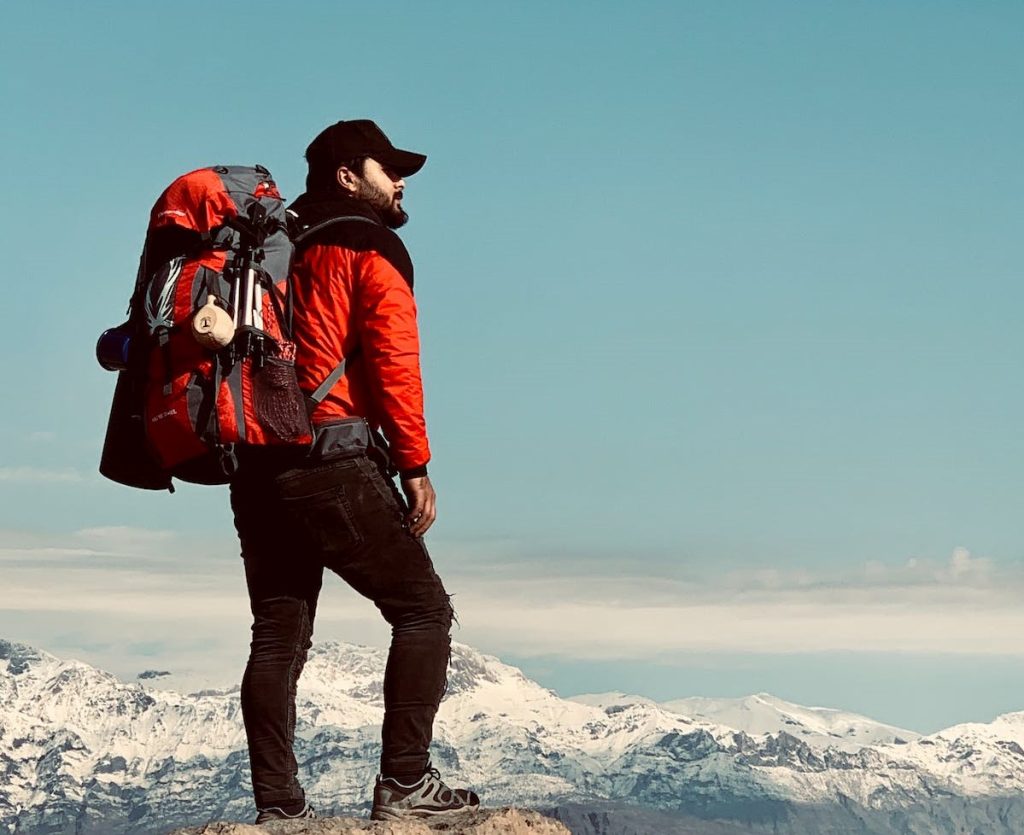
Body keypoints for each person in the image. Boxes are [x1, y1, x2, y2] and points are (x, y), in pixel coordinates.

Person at [229, 119, 479, 824]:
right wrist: (415, 465)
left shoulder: (271, 249)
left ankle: (279, 807)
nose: (400, 181)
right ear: (347, 175)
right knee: (423, 609)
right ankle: (404, 782)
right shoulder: (369, 245)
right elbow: (395, 359)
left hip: (255, 465)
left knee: (278, 634)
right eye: (388, 168)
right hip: (330, 461)